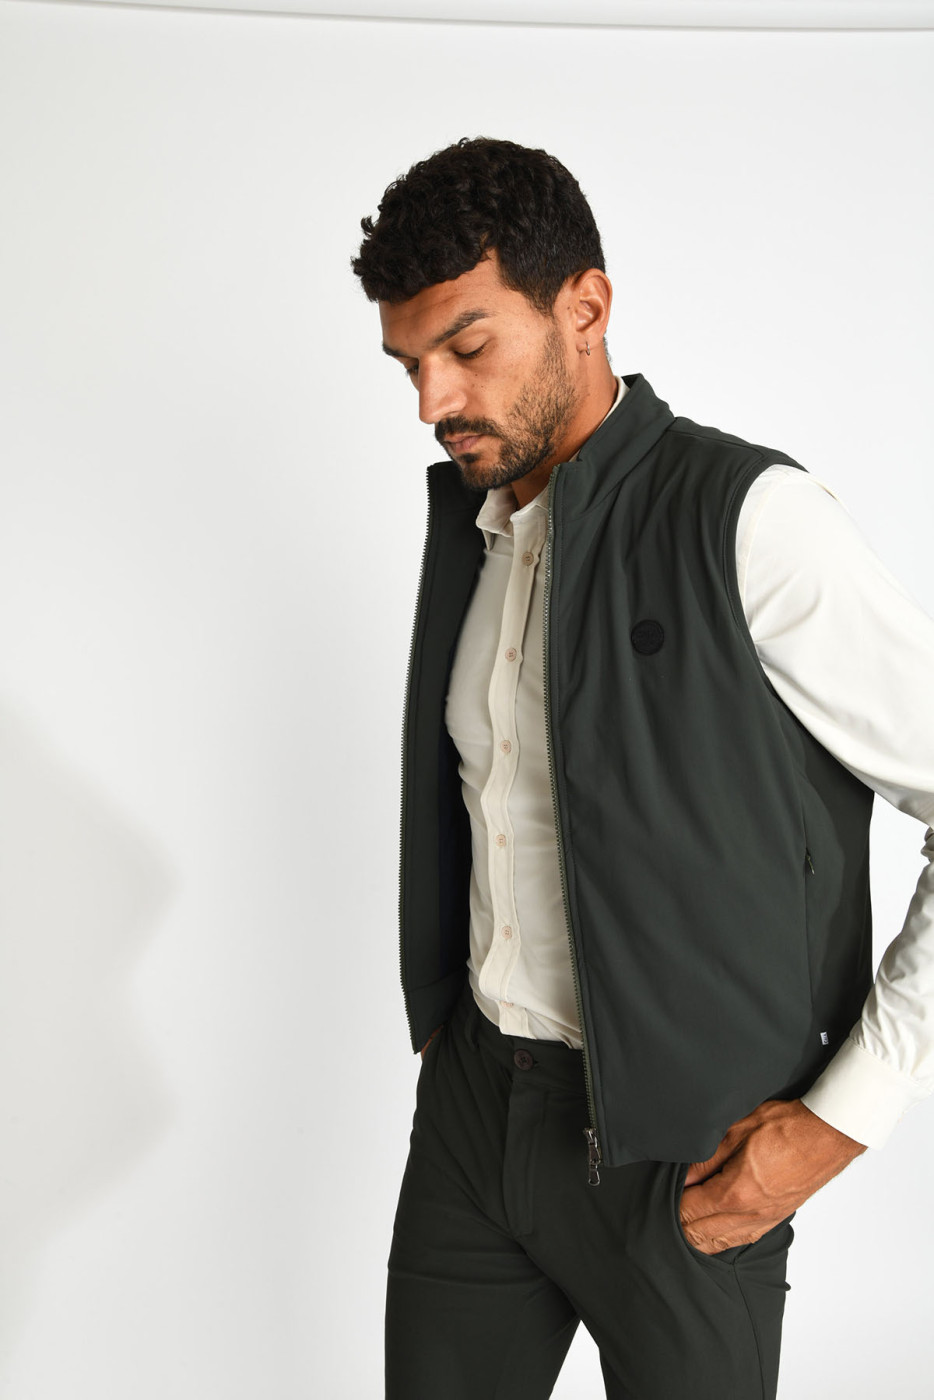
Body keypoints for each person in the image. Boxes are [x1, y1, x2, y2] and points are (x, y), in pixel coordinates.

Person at [350, 136, 934, 1399]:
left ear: (585, 308)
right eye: (407, 364)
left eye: (466, 346)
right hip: (472, 1117)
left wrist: (842, 1118)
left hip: (687, 1156)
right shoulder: (475, 527)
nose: (431, 401)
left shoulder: (751, 519)